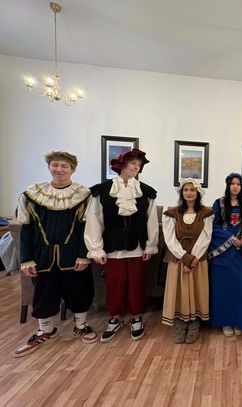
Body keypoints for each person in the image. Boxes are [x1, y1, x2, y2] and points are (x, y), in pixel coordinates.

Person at [14, 151, 96, 357]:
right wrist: (26, 259)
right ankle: (46, 330)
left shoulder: (83, 195)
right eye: (55, 165)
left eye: (64, 166)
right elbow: (26, 229)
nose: (59, 169)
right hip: (42, 255)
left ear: (72, 170)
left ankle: (81, 326)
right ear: (49, 167)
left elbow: (87, 229)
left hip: (73, 254)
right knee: (44, 291)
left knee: (79, 289)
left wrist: (84, 254)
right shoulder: (32, 194)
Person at [84, 148, 158, 342]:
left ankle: (136, 317)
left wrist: (150, 245)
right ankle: (115, 317)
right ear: (121, 165)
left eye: (139, 165)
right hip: (112, 246)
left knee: (137, 282)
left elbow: (151, 220)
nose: (136, 167)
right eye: (133, 163)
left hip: (138, 246)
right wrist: (96, 248)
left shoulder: (146, 191)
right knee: (115, 283)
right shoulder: (102, 191)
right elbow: (94, 220)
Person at [162, 178, 214, 344]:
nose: (189, 192)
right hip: (178, 258)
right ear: (181, 193)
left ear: (198, 192)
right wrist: (185, 258)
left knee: (196, 290)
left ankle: (194, 323)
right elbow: (170, 239)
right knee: (180, 291)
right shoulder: (171, 213)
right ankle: (180, 323)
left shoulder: (206, 213)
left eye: (192, 189)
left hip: (198, 258)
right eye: (186, 189)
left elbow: (206, 237)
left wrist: (193, 259)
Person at [208, 173, 242, 336]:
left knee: (241, 286)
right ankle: (225, 322)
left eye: (238, 184)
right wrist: (231, 239)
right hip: (222, 252)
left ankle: (239, 321)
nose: (235, 186)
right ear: (228, 185)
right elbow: (213, 225)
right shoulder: (218, 203)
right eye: (232, 183)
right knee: (223, 288)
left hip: (240, 251)